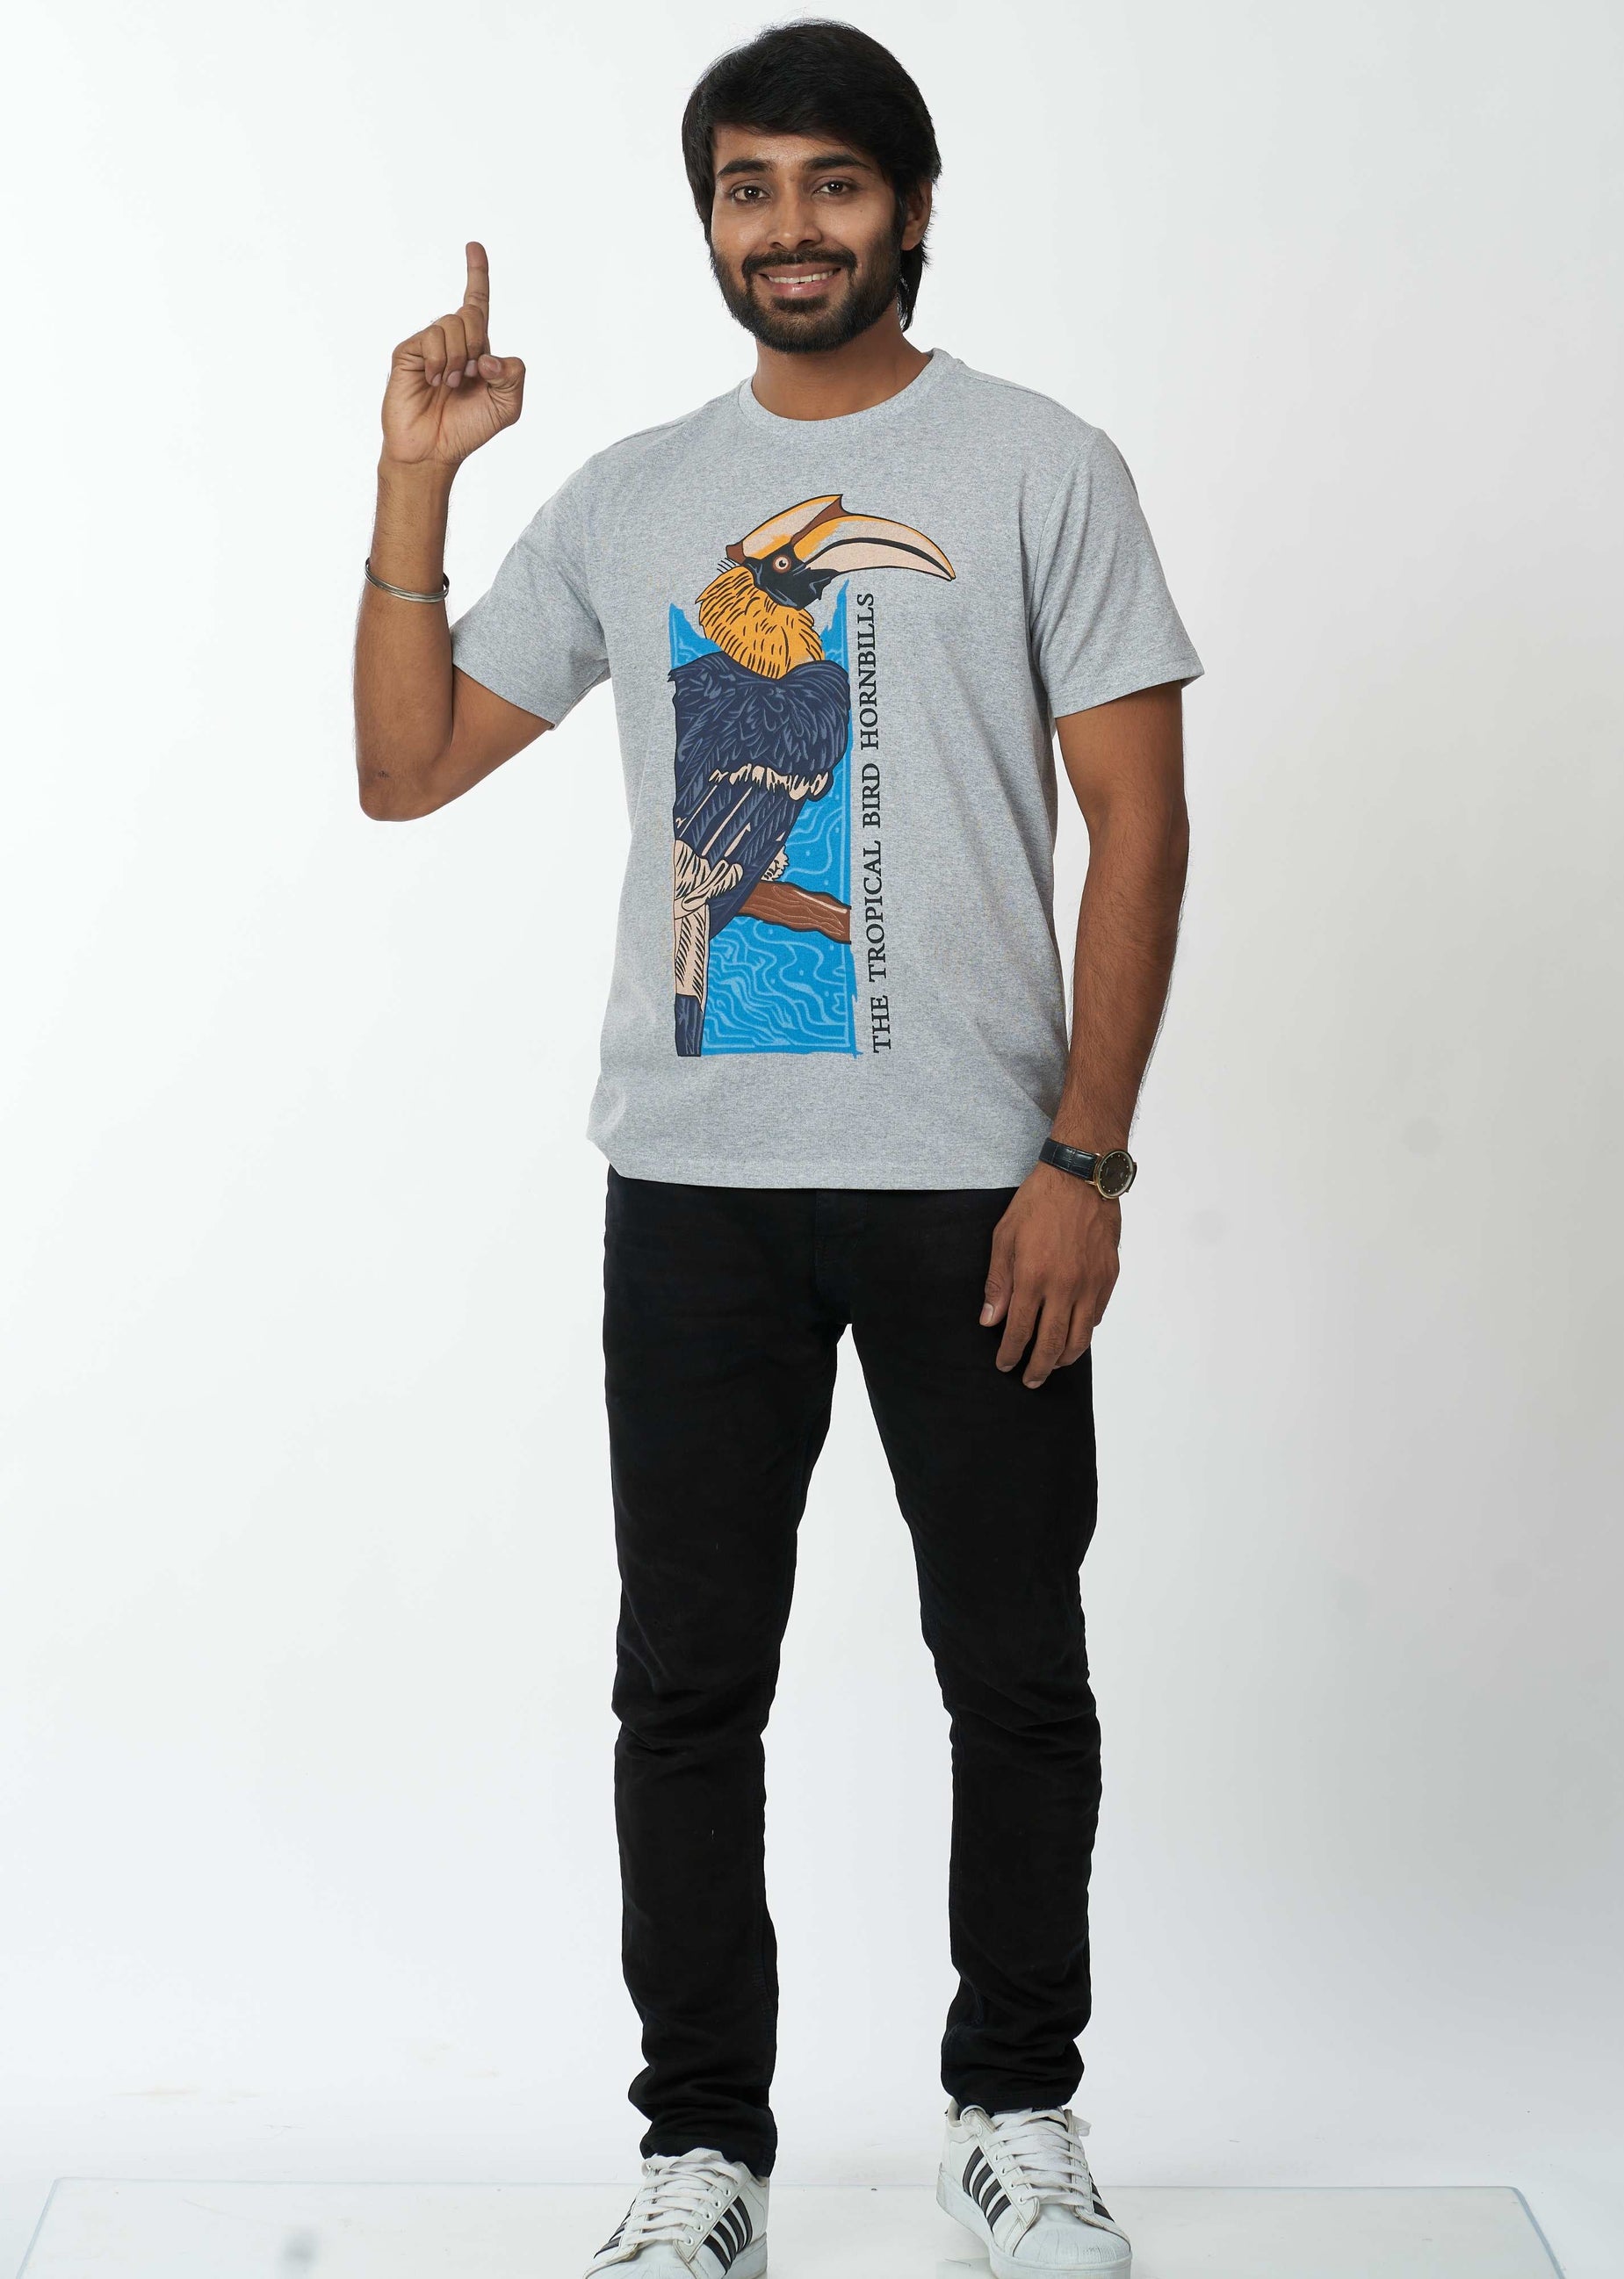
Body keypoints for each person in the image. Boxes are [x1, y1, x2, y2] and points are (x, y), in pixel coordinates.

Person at [353, 21, 1201, 2278]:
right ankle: (701, 2146)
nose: (791, 226)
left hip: (980, 1188)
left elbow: (1139, 824)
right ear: (711, 221)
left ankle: (1013, 2109)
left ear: (907, 210)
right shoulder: (633, 494)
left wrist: (1085, 1160)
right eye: (749, 186)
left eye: (833, 182)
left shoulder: (1039, 464)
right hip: (696, 1190)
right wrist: (414, 484)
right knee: (685, 1683)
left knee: (1013, 1666)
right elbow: (406, 768)